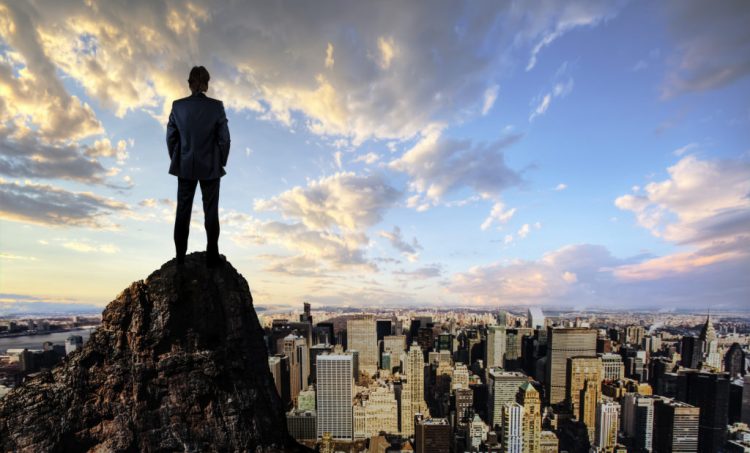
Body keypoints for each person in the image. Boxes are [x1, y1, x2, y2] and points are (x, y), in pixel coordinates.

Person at [166, 66, 230, 267]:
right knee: (211, 212)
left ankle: (180, 259)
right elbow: (225, 139)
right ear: (206, 83)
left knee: (182, 212)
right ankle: (212, 256)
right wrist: (220, 161)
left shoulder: (178, 106)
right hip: (211, 167)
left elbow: (171, 137)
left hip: (185, 166)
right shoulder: (217, 107)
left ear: (190, 83)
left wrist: (178, 159)